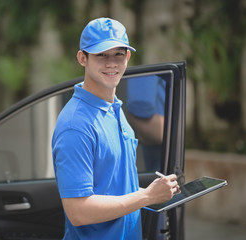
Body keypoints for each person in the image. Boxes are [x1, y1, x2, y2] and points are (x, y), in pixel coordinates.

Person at [52, 17, 179, 239]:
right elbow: (78, 211)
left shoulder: (115, 109)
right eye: (101, 55)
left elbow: (115, 189)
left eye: (118, 54)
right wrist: (147, 197)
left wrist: (156, 192)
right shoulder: (76, 125)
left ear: (128, 57)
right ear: (83, 58)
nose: (111, 63)